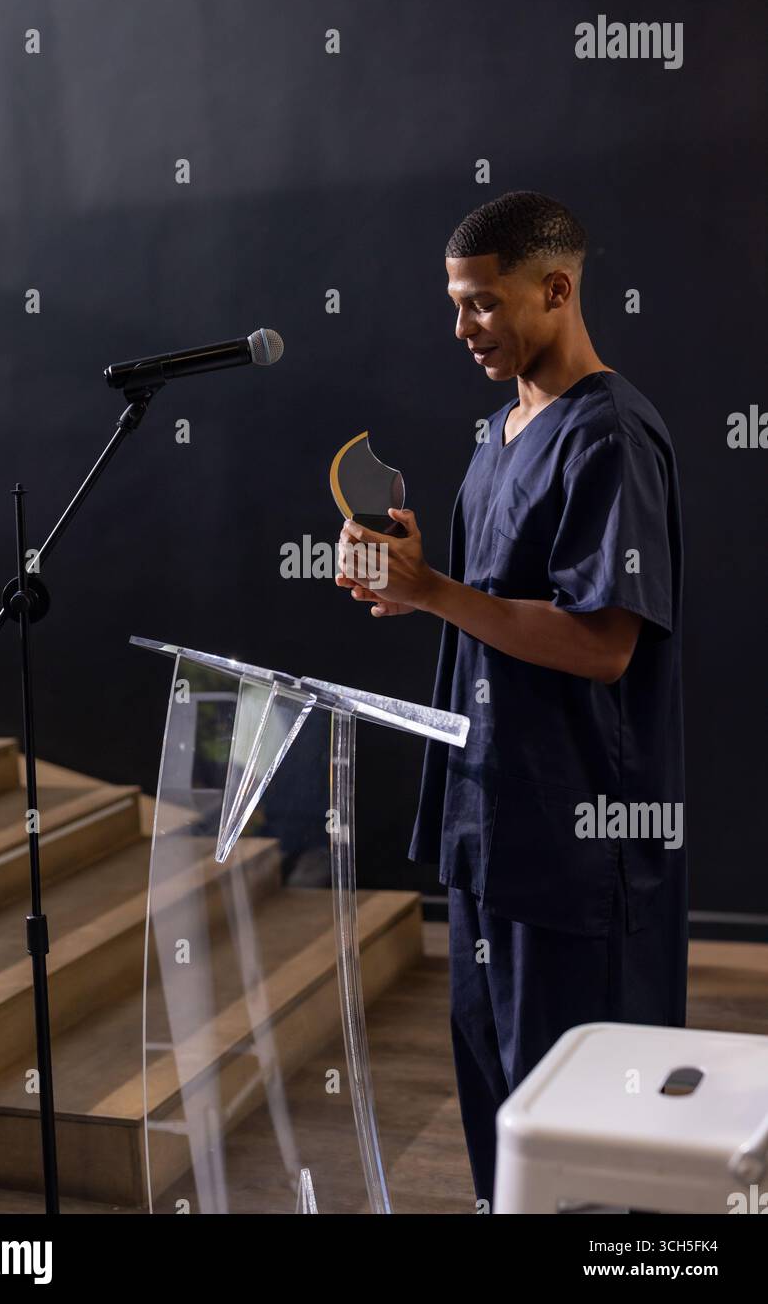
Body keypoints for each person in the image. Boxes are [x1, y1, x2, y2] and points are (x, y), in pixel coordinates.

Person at [335, 190, 688, 1210]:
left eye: (482, 305)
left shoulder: (611, 434)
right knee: (506, 1122)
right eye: (455, 305)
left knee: (588, 1152)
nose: (462, 329)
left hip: (578, 847)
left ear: (557, 288)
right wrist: (410, 584)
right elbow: (495, 607)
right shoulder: (497, 434)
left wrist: (435, 591)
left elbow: (605, 643)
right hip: (488, 831)